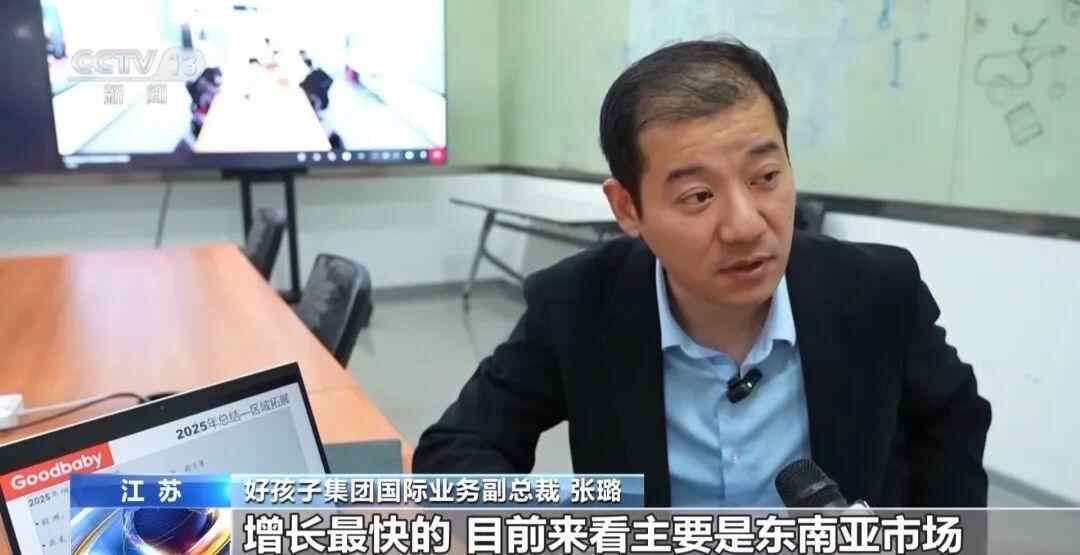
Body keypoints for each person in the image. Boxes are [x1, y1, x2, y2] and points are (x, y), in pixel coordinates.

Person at [414, 39, 991, 508]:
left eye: (766, 178)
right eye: (697, 196)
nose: (744, 225)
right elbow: (455, 452)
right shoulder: (576, 304)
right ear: (628, 208)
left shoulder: (877, 292)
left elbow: (953, 423)